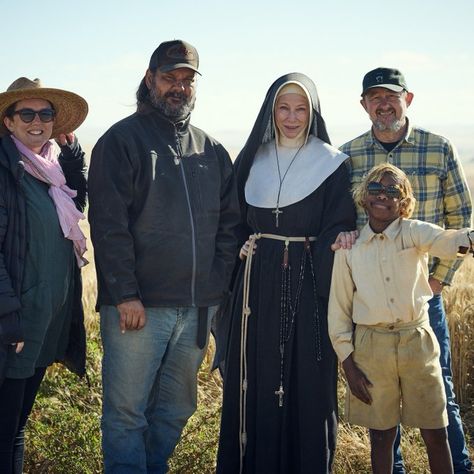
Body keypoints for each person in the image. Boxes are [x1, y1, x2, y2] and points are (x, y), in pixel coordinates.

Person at [88, 39, 240, 473]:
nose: (178, 87)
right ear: (149, 79)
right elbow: (109, 227)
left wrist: (213, 290)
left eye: (186, 80)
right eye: (169, 77)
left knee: (174, 412)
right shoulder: (120, 142)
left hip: (195, 310)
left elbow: (229, 228)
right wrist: (125, 294)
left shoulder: (210, 150)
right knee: (126, 415)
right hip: (138, 309)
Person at [216, 73, 356, 474]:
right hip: (255, 288)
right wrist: (243, 244)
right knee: (255, 379)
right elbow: (232, 219)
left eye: (300, 109)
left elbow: (338, 223)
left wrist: (341, 237)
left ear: (312, 113)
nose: (291, 117)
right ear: (270, 110)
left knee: (306, 383)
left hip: (309, 287)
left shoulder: (331, 163)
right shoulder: (252, 158)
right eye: (283, 108)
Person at [339, 67, 473, 473]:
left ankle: (459, 467)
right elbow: (341, 223)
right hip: (371, 306)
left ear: (407, 100)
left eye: (391, 97)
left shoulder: (439, 148)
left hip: (421, 301)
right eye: (374, 97)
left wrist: (437, 281)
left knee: (440, 393)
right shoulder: (347, 156)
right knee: (381, 403)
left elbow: (460, 216)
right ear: (364, 105)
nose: (383, 104)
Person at [0, 77, 88, 473]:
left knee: (17, 427)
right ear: (9, 122)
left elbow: (73, 212)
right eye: (27, 113)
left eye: (45, 113)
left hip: (45, 320)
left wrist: (73, 164)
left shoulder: (51, 170)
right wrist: (8, 318)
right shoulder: (6, 172)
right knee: (4, 431)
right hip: (15, 324)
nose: (37, 121)